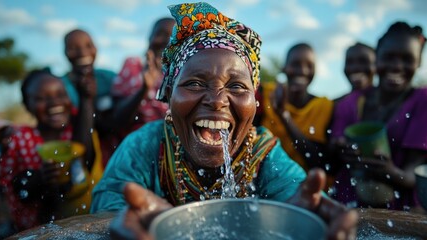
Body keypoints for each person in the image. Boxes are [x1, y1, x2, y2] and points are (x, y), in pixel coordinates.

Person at [90, 2, 358, 239]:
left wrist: (299, 221)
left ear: (255, 101)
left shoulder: (264, 154)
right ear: (169, 96)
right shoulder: (144, 147)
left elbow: (299, 196)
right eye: (194, 83)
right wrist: (119, 222)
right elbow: (105, 214)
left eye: (238, 87)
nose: (217, 100)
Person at [330, 21, 427, 210]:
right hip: (345, 205)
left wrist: (388, 171)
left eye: (407, 59)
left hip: (398, 211)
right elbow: (333, 153)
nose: (397, 66)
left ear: (419, 62)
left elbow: (412, 177)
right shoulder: (350, 103)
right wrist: (341, 148)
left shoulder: (422, 101)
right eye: (389, 57)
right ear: (377, 59)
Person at [0, 69, 103, 232]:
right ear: (27, 105)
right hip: (35, 230)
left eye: (61, 94)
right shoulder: (20, 139)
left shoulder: (77, 129)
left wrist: (86, 98)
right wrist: (40, 178)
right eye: (41, 98)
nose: (54, 102)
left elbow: (84, 157)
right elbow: (18, 188)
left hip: (81, 224)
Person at [259, 43, 335, 187]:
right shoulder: (267, 94)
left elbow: (317, 161)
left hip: (306, 186)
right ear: (284, 68)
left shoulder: (323, 106)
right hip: (266, 184)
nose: (303, 71)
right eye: (295, 64)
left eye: (309, 66)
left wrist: (284, 116)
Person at [61, 29, 117, 166]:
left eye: (88, 45)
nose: (82, 52)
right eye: (73, 48)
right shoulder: (60, 86)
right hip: (80, 151)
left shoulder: (109, 77)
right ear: (65, 52)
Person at [111, 17, 175, 137]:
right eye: (160, 34)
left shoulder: (188, 74)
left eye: (174, 36)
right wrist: (144, 89)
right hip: (137, 146)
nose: (167, 41)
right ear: (149, 37)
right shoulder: (133, 65)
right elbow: (117, 120)